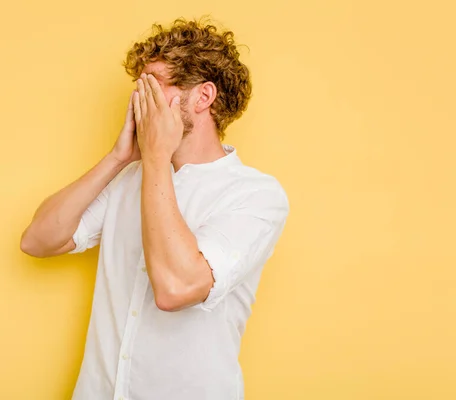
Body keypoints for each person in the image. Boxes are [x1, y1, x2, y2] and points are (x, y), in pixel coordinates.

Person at [20, 17, 289, 400]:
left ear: (203, 97)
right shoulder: (130, 177)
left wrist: (156, 156)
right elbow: (38, 240)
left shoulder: (256, 195)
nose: (138, 100)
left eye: (153, 86)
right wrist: (117, 158)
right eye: (138, 88)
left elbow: (175, 289)